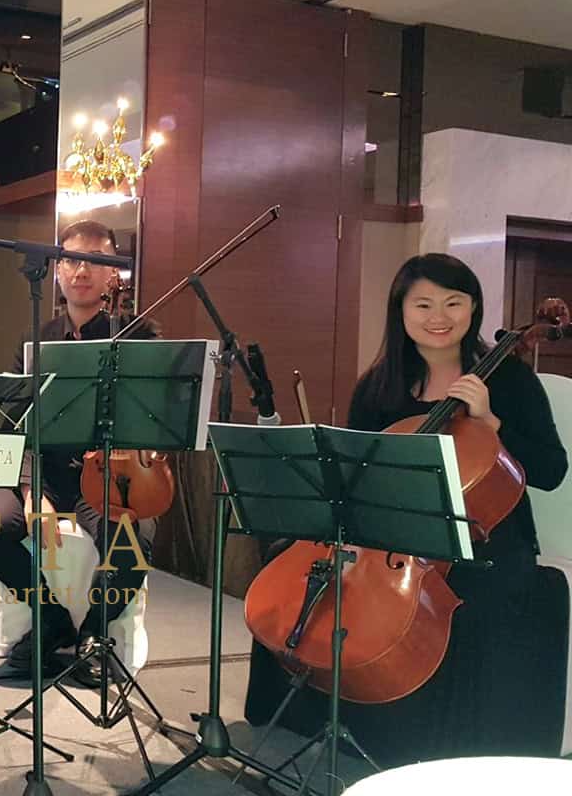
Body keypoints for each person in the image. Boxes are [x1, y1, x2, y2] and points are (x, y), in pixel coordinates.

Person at [244, 252, 570, 764]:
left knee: (473, 604)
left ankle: (439, 752)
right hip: (387, 535)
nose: (438, 317)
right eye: (423, 304)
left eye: (452, 302)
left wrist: (493, 424)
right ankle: (317, 717)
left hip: (483, 540)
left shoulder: (509, 380)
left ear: (473, 308)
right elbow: (354, 475)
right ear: (401, 311)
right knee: (297, 574)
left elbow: (552, 471)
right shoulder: (380, 387)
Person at [0, 219, 158, 688]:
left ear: (113, 273)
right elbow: (20, 424)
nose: (82, 270)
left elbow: (158, 413)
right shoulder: (36, 341)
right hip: (48, 472)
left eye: (96, 261)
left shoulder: (138, 335)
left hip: (109, 477)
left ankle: (95, 636)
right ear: (57, 269)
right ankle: (51, 619)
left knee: (135, 536)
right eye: (73, 259)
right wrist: (31, 489)